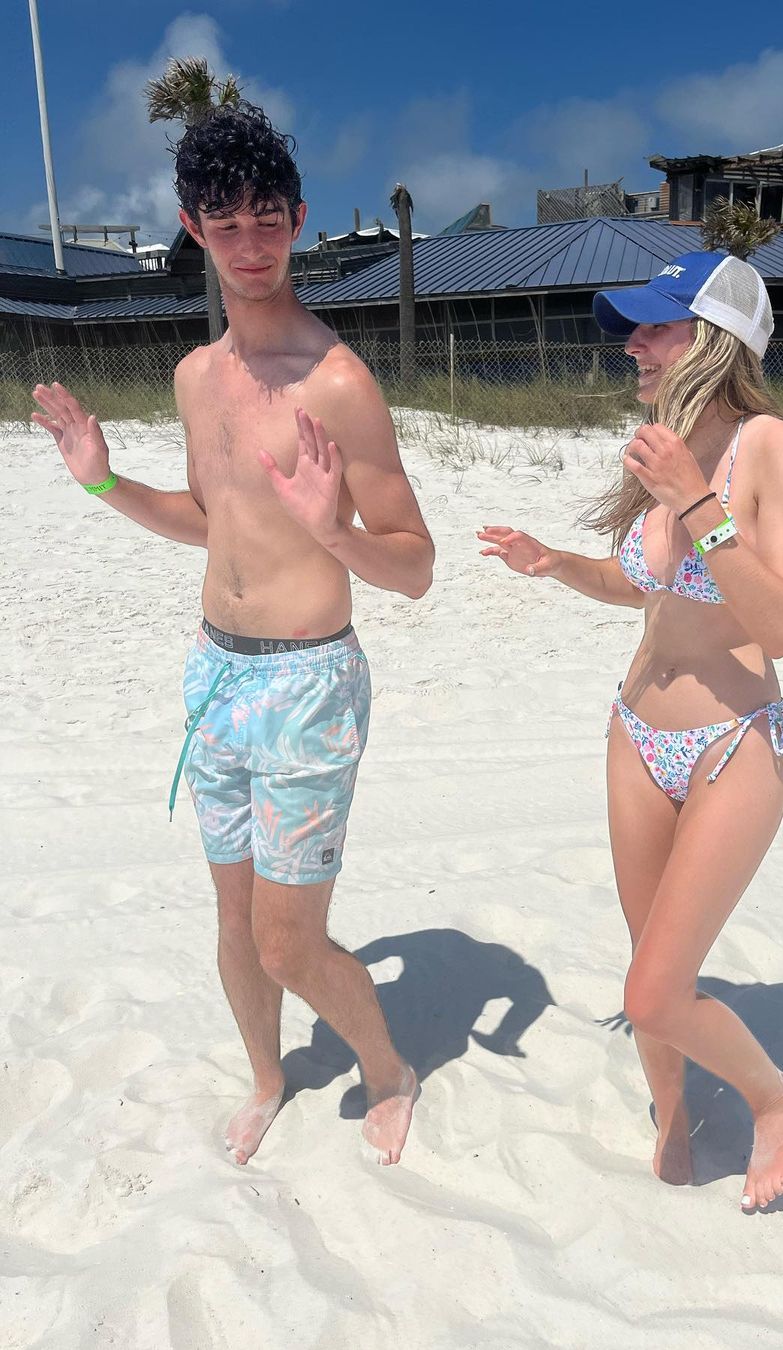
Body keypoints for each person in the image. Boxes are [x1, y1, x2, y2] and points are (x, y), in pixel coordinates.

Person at [31, 103, 433, 1168]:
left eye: (267, 219)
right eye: (226, 222)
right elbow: (212, 522)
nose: (250, 244)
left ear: (297, 221)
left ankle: (388, 1071)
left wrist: (333, 530)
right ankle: (268, 1076)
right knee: (233, 918)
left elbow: (415, 565)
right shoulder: (194, 377)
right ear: (193, 228)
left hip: (309, 683)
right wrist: (105, 483)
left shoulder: (339, 383)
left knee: (287, 941)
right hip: (215, 673)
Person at [478, 252, 783, 1209]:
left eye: (656, 327)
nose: (634, 344)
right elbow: (643, 586)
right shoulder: (661, 445)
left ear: (714, 340)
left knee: (653, 993)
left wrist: (696, 501)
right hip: (636, 735)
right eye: (633, 329)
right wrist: (555, 562)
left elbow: (781, 622)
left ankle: (774, 1097)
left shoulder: (772, 447)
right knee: (646, 961)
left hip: (731, 744)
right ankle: (672, 1110)